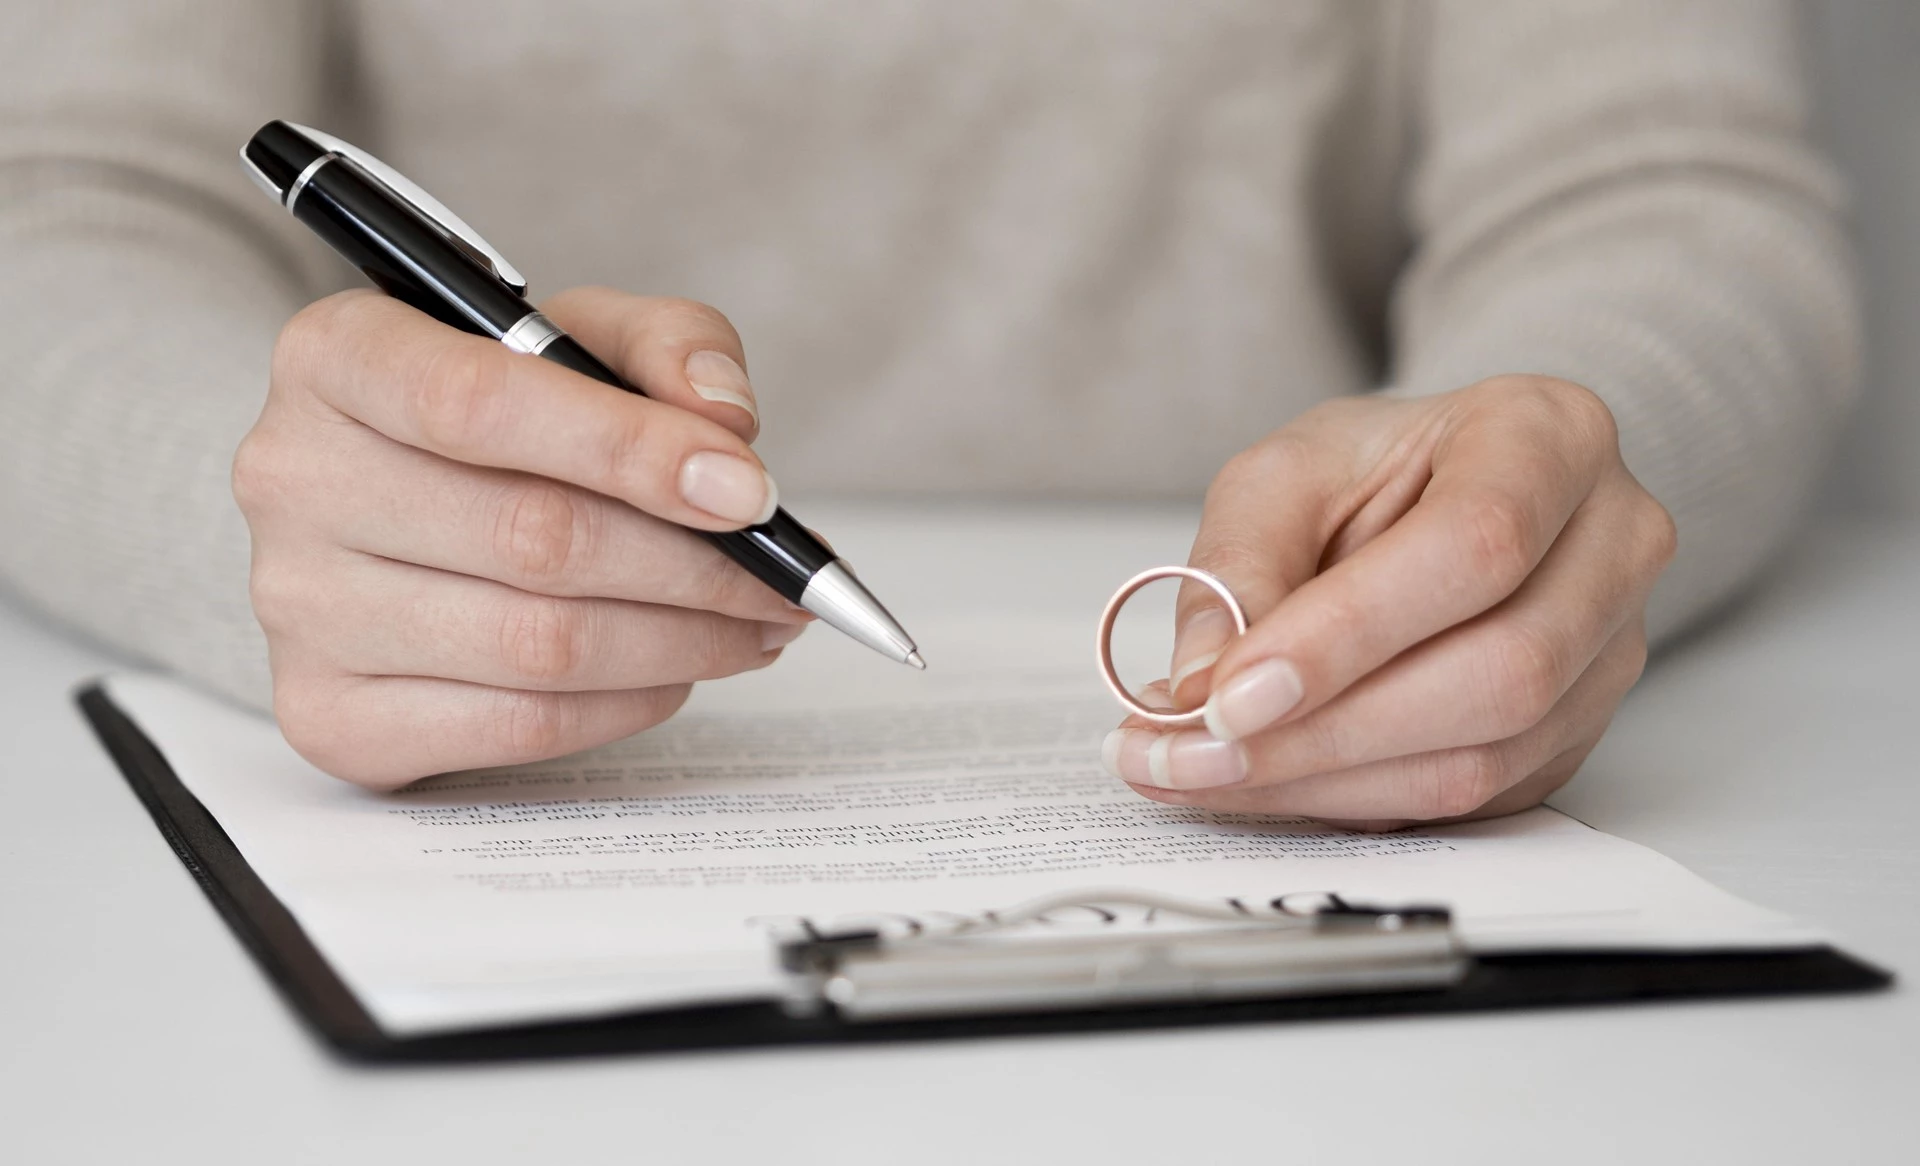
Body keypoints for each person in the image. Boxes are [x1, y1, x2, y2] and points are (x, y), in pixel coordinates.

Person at [0, 1, 1857, 828]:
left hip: (1297, 601)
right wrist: (256, 515)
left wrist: (1541, 491)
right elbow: (59, 207)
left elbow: (1664, 195)